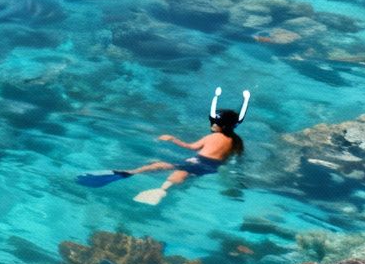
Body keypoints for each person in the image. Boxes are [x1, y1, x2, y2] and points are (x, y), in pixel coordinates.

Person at [87, 87, 249, 206]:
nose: (212, 125)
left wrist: (172, 138)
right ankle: (164, 190)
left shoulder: (211, 137)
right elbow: (234, 160)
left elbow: (190, 147)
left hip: (197, 161)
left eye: (214, 123)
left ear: (222, 126)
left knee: (163, 166)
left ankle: (132, 173)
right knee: (184, 176)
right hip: (211, 168)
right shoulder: (236, 142)